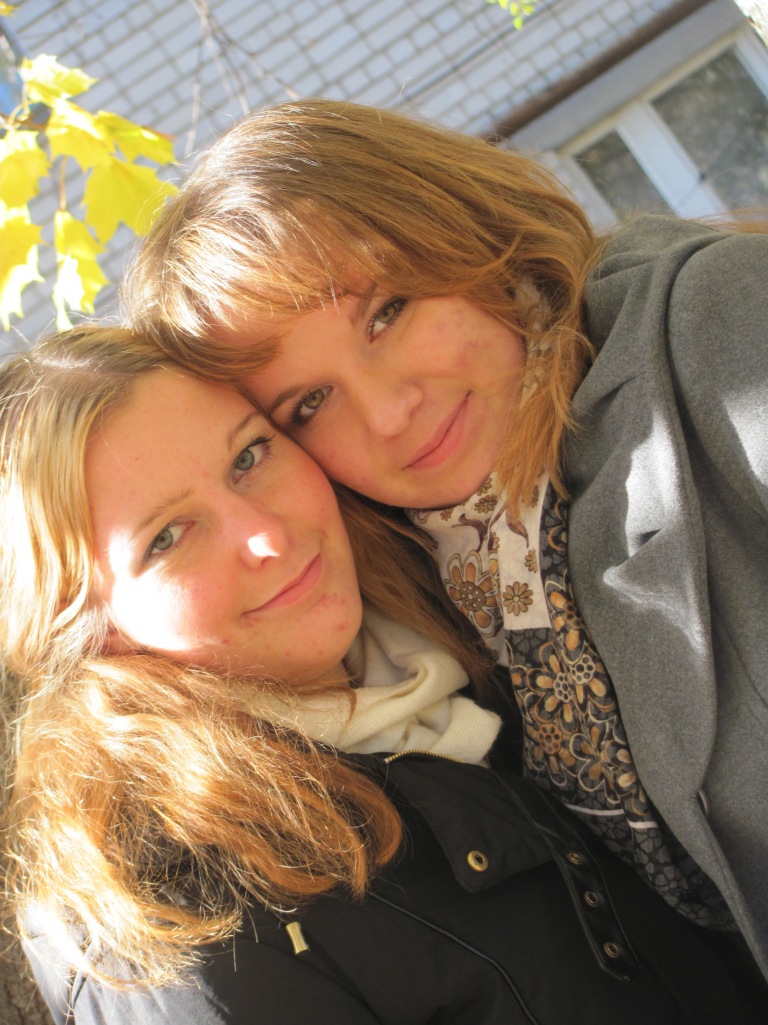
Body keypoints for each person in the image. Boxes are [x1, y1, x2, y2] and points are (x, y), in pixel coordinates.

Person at [124, 99, 768, 981]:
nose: (390, 412)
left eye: (386, 312)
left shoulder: (715, 325)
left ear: (459, 227)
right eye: (308, 404)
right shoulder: (433, 599)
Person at [2, 326, 766, 1025]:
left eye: (249, 457)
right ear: (90, 633)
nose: (267, 537)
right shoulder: (178, 924)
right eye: (167, 537)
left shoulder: (459, 600)